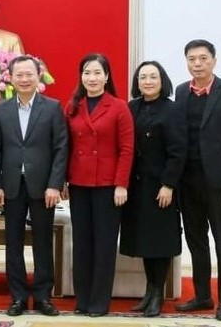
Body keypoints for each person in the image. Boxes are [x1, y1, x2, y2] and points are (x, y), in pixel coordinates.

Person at [173, 39, 221, 322]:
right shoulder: (181, 92)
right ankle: (202, 295)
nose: (198, 64)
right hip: (187, 180)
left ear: (214, 60)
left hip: (219, 181)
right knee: (195, 240)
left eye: (203, 58)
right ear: (187, 62)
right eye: (192, 59)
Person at [0, 55, 67, 317]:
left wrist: (55, 184)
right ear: (10, 78)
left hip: (43, 187)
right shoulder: (2, 109)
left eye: (29, 74)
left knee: (43, 242)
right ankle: (18, 297)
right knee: (13, 242)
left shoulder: (53, 107)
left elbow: (60, 149)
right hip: (11, 186)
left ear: (38, 76)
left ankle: (43, 296)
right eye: (19, 75)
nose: (24, 79)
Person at [64, 53, 134, 317]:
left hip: (107, 186)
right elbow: (67, 147)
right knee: (81, 244)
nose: (91, 78)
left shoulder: (118, 107)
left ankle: (99, 302)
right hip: (79, 183)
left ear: (106, 76)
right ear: (81, 77)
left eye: (97, 73)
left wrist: (121, 185)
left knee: (104, 245)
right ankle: (82, 300)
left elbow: (127, 149)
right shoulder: (73, 106)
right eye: (87, 73)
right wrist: (63, 180)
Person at [119, 60, 186, 317]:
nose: (147, 81)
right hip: (136, 188)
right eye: (143, 77)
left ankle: (157, 294)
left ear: (162, 80)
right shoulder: (131, 107)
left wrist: (168, 184)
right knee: (145, 242)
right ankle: (149, 291)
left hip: (161, 187)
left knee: (161, 241)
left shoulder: (172, 110)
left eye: (153, 77)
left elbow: (178, 152)